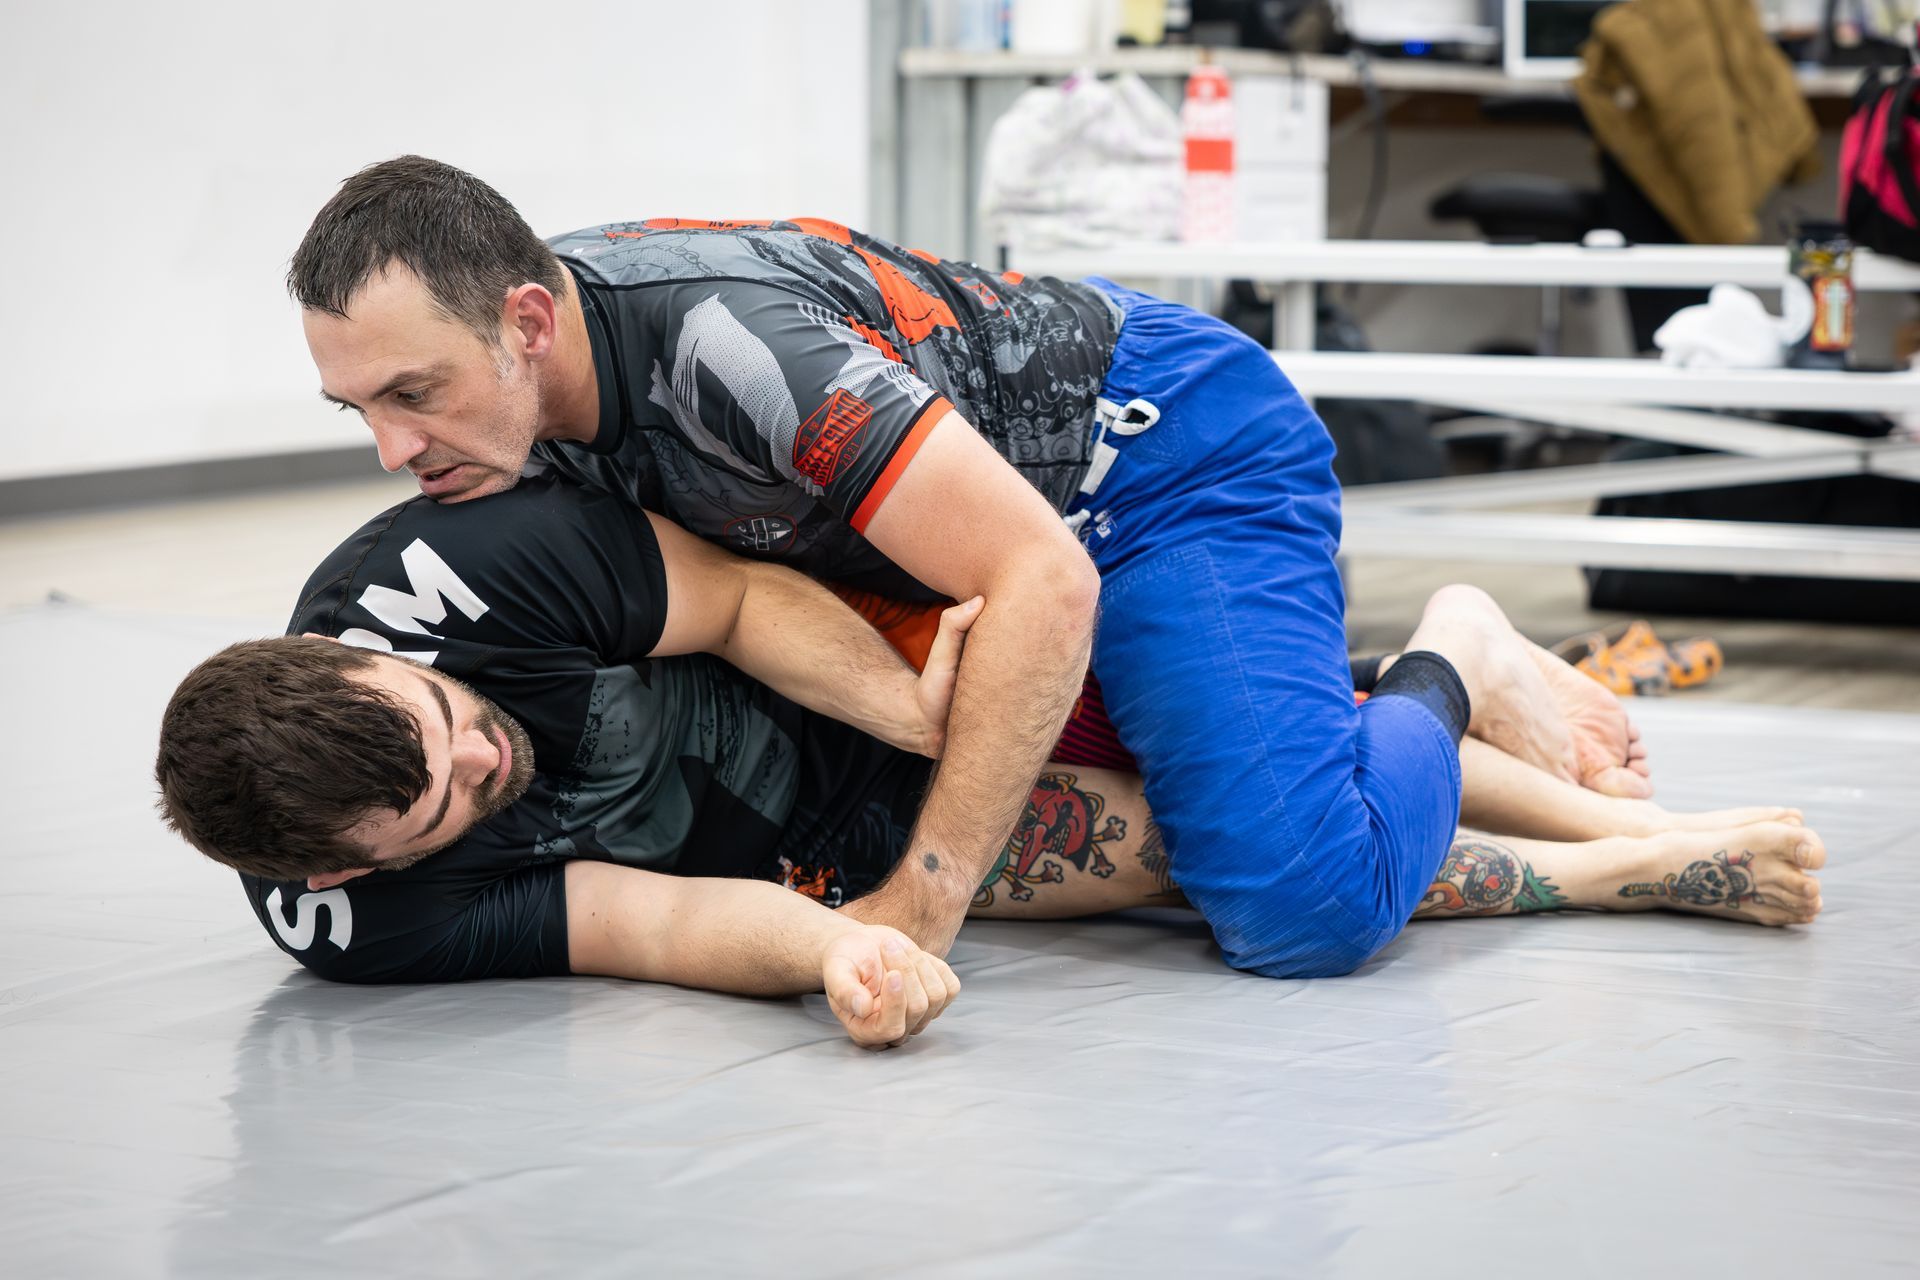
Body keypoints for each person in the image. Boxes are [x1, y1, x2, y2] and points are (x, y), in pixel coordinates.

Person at [287, 156, 1652, 978]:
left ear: (527, 322)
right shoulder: (528, 406)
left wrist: (923, 900)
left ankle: (1457, 652)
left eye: (416, 393)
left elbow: (1044, 583)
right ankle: (1301, 698)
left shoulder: (733, 362)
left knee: (1299, 900)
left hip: (1156, 466)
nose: (395, 447)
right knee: (1123, 777)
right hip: (939, 552)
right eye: (362, 411)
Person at [155, 480, 1825, 1049]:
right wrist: (850, 947)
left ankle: (1456, 654)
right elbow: (649, 925)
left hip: (854, 646)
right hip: (816, 831)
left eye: (458, 721)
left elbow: (733, 600)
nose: (486, 758)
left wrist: (925, 716)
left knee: (1266, 809)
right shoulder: (361, 930)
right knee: (1194, 863)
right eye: (447, 802)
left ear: (369, 657)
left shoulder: (451, 581)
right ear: (339, 871)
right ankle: (1616, 853)